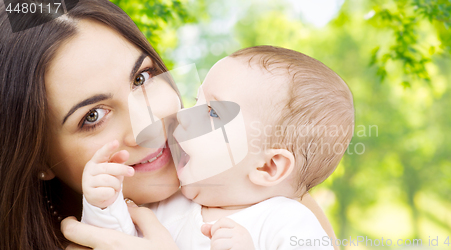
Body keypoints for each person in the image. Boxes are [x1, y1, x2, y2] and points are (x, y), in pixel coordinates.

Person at [0, 1, 338, 249]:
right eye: (92, 116)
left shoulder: (272, 199)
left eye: (141, 77)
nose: (149, 124)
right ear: (38, 158)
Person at [81, 46, 354, 249]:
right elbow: (114, 243)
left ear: (267, 166)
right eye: (196, 99)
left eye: (212, 113)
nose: (184, 114)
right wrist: (104, 205)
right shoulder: (168, 205)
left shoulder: (287, 223)